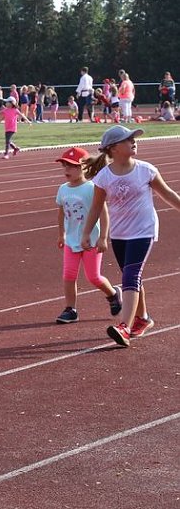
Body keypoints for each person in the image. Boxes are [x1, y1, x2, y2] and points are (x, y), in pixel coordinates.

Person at [81, 125, 180, 347]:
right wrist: (88, 232)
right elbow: (96, 207)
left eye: (134, 139)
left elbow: (169, 194)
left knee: (131, 275)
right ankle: (143, 318)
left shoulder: (146, 170)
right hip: (120, 233)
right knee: (131, 275)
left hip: (143, 230)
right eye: (128, 140)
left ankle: (124, 327)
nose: (134, 142)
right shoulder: (104, 177)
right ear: (113, 148)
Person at [54, 146, 122, 324]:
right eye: (64, 166)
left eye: (71, 166)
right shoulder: (63, 189)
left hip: (91, 241)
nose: (66, 170)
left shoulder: (92, 188)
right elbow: (61, 212)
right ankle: (71, 309)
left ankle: (113, 294)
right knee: (68, 275)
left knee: (93, 276)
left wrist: (103, 238)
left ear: (83, 167)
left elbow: (103, 213)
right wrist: (61, 234)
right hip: (71, 241)